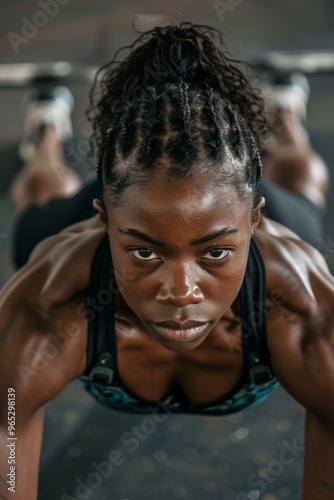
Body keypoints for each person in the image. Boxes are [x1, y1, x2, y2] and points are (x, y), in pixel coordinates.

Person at [0, 23, 333, 500]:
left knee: (303, 187)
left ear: (253, 221)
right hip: (131, 208)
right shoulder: (44, 312)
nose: (180, 293)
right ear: (104, 221)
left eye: (214, 254)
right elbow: (7, 458)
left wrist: (160, 247)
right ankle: (47, 131)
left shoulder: (309, 314)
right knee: (41, 194)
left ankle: (284, 118)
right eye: (144, 253)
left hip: (222, 206)